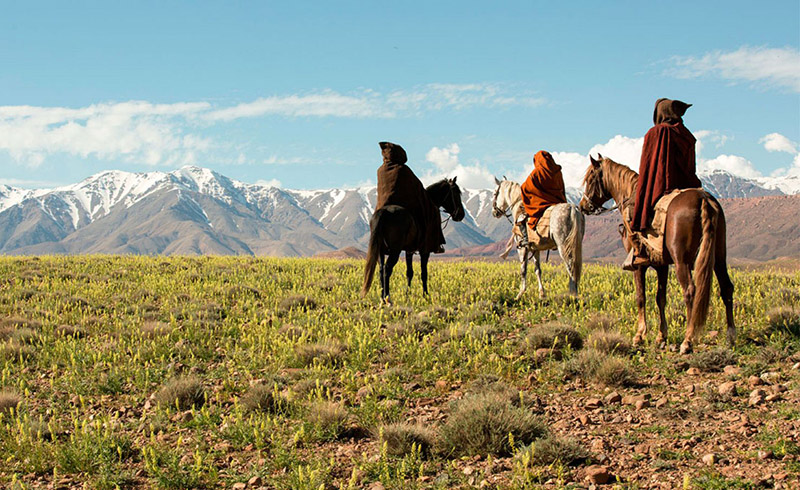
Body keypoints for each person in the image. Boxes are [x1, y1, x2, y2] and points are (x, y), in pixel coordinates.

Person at [624, 98, 702, 270]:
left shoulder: (656, 132)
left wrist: (645, 189)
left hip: (662, 184)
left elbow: (648, 165)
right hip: (688, 184)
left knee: (632, 208)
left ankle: (639, 250)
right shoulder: (687, 134)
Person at [375, 141, 446, 254]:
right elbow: (417, 187)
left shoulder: (380, 170)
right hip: (404, 204)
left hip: (382, 204)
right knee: (432, 212)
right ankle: (433, 243)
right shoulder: (403, 169)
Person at [518, 150, 568, 247]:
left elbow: (525, 187)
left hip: (542, 203)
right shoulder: (557, 172)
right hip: (558, 201)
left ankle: (525, 239)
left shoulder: (538, 172)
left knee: (522, 218)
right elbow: (562, 188)